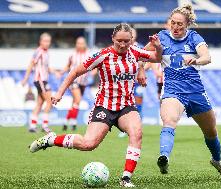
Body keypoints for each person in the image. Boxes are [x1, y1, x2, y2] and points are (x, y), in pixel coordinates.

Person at [28, 23, 162, 187]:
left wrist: (157, 47)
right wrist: (60, 93)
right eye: (119, 40)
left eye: (126, 41)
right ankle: (52, 139)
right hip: (104, 106)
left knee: (137, 132)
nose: (122, 44)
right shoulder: (103, 55)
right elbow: (76, 71)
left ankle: (126, 178)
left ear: (131, 40)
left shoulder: (135, 52)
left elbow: (157, 57)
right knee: (88, 144)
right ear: (113, 38)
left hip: (126, 106)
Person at [142, 5, 221, 180]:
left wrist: (197, 59)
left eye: (180, 25)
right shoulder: (161, 37)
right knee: (169, 120)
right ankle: (164, 157)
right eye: (173, 23)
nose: (175, 27)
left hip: (195, 91)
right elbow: (141, 54)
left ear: (187, 25)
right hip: (173, 90)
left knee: (211, 132)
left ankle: (217, 161)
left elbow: (207, 57)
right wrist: (140, 69)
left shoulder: (193, 37)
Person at [22, 32, 58, 133]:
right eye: (45, 41)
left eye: (49, 41)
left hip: (43, 80)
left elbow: (46, 67)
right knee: (50, 101)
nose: (47, 43)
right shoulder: (39, 52)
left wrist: (55, 72)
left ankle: (32, 126)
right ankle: (45, 125)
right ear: (40, 41)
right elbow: (31, 64)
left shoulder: (46, 52)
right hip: (40, 80)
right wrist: (25, 78)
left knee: (40, 103)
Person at [59, 36, 91, 131]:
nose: (80, 45)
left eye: (82, 43)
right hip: (74, 81)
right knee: (78, 100)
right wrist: (61, 72)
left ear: (84, 44)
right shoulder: (72, 55)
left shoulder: (88, 55)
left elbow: (94, 66)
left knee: (75, 103)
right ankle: (73, 123)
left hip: (83, 82)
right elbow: (68, 66)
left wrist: (94, 71)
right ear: (76, 44)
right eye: (78, 43)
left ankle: (67, 121)